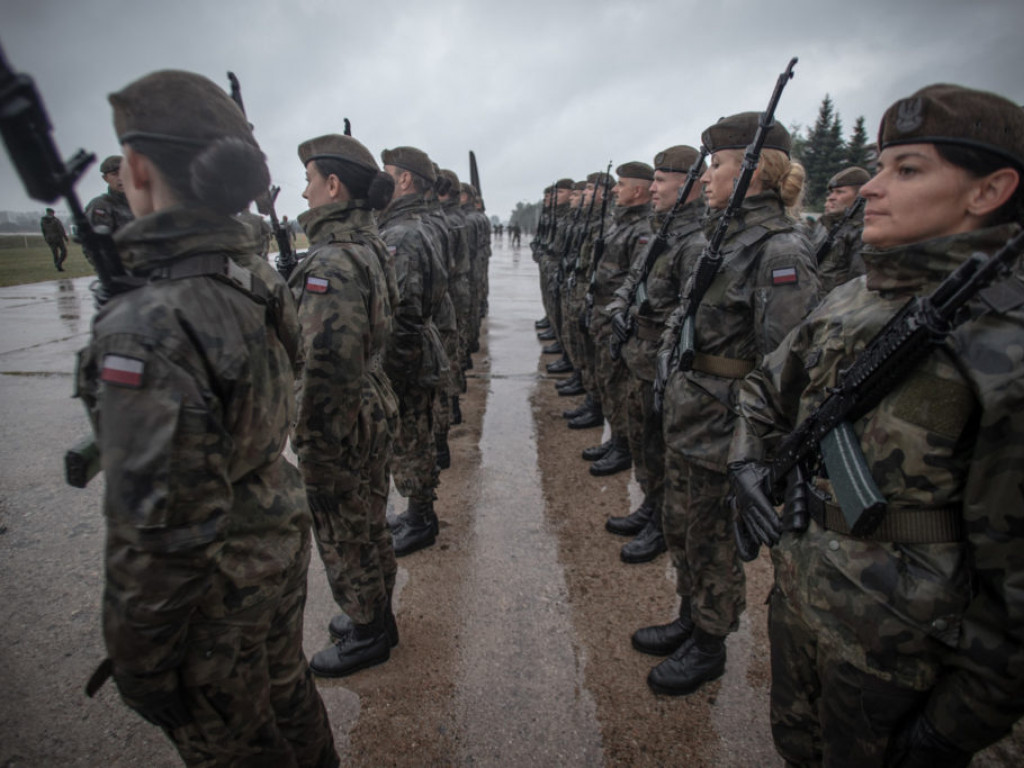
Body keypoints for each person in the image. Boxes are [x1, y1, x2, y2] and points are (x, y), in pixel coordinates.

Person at [729, 83, 1024, 767]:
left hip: (902, 653)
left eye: (908, 170)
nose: (871, 188)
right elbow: (763, 387)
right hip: (804, 600)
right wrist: (746, 463)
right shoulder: (850, 298)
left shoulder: (1005, 344)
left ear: (989, 190)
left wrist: (956, 724)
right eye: (881, 166)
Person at [75, 70, 337, 767]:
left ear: (137, 167)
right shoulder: (249, 274)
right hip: (274, 533)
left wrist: (141, 660)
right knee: (288, 694)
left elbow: (160, 531)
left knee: (238, 742)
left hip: (214, 584)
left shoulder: (149, 325)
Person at [640, 113, 820, 696]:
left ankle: (710, 642)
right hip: (690, 416)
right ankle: (690, 616)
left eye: (716, 165)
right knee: (682, 527)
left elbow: (785, 365)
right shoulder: (723, 238)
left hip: (725, 426)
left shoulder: (779, 249)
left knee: (712, 538)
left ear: (754, 172)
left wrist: (757, 450)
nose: (706, 177)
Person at [288, 133, 400, 679]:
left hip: (342, 415)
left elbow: (324, 371)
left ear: (333, 185)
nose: (304, 191)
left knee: (343, 527)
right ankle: (378, 615)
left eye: (309, 179)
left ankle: (367, 630)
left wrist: (314, 446)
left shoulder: (331, 263)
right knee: (369, 519)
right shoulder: (367, 244)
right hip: (370, 401)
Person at [605, 146, 707, 563]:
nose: (653, 188)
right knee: (644, 443)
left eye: (661, 181)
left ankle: (662, 523)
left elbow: (688, 316)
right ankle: (651, 505)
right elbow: (633, 280)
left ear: (688, 186)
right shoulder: (662, 233)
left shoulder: (695, 242)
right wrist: (620, 309)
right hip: (640, 356)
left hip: (662, 364)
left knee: (661, 449)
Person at [378, 146, 449, 556]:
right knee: (414, 437)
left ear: (404, 179)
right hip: (418, 349)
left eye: (387, 171)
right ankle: (417, 513)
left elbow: (403, 313)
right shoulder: (411, 225)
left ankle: (422, 520)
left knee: (411, 440)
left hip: (408, 356)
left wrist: (392, 372)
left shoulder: (402, 235)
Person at [584, 161, 654, 477]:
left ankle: (623, 446)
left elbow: (635, 281)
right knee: (608, 381)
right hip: (604, 315)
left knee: (619, 386)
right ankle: (616, 439)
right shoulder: (620, 224)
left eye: (621, 184)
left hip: (618, 320)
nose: (615, 189)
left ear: (637, 190)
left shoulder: (642, 230)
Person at [812, 166, 870, 293]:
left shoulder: (862, 232)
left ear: (860, 196)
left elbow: (859, 284)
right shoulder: (826, 225)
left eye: (839, 192)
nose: (831, 197)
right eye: (831, 192)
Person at [82, 154, 134, 267]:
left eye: (124, 173)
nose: (120, 178)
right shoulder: (101, 205)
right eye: (115, 174)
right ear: (105, 178)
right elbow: (94, 246)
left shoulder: (141, 202)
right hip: (122, 270)